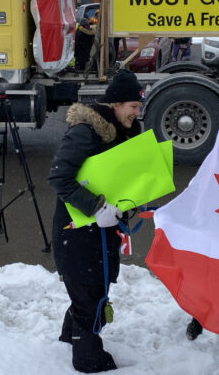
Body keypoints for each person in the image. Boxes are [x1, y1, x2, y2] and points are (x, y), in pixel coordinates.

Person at [48, 70, 144, 373]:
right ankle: (88, 359)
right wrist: (96, 207)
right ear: (115, 104)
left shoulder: (127, 131)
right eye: (132, 106)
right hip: (76, 231)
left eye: (139, 107)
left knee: (97, 284)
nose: (137, 112)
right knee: (88, 288)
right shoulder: (86, 131)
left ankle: (70, 333)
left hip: (102, 230)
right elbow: (59, 178)